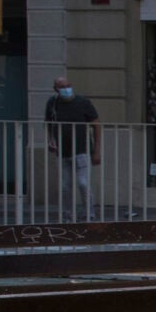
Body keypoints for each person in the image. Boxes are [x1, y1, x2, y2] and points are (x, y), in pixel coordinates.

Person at [44, 75, 101, 218]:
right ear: (56, 89)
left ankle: (89, 212)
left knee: (83, 183)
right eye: (62, 87)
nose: (66, 89)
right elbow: (49, 124)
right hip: (63, 151)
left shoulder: (83, 102)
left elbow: (96, 125)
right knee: (65, 186)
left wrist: (96, 151)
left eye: (67, 86)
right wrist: (50, 140)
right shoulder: (53, 103)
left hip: (82, 149)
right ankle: (67, 213)